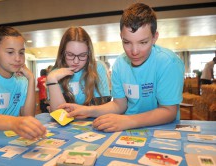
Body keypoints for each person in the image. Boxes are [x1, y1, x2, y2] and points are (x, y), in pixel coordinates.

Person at [59, 3, 185, 132]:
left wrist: (129, 120)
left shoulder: (168, 63)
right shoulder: (120, 64)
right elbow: (119, 105)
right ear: (121, 37)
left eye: (143, 42)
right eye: (127, 42)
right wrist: (88, 110)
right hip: (127, 127)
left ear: (154, 38)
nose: (134, 51)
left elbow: (169, 112)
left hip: (162, 130)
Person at [46, 26, 111, 111]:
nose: (76, 61)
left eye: (82, 55)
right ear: (62, 53)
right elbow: (60, 115)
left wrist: (72, 110)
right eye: (70, 55)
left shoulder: (98, 68)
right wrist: (52, 80)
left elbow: (103, 107)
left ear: (89, 54)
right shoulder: (54, 75)